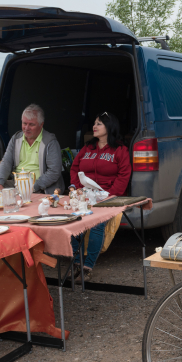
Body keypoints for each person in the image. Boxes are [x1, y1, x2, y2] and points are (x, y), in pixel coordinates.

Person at [69, 112, 132, 280]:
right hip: (85, 196)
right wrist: (76, 187)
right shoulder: (87, 148)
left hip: (108, 197)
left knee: (97, 224)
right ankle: (76, 263)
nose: (94, 127)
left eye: (99, 124)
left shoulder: (120, 150)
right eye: (94, 123)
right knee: (74, 223)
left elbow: (124, 175)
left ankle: (87, 267)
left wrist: (110, 196)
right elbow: (75, 168)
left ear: (109, 127)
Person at [0, 104, 64, 194]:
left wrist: (32, 187)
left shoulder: (50, 142)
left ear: (41, 124)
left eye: (31, 124)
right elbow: (6, 162)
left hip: (41, 187)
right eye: (24, 123)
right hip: (18, 184)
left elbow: (54, 171)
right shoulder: (16, 139)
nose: (26, 128)